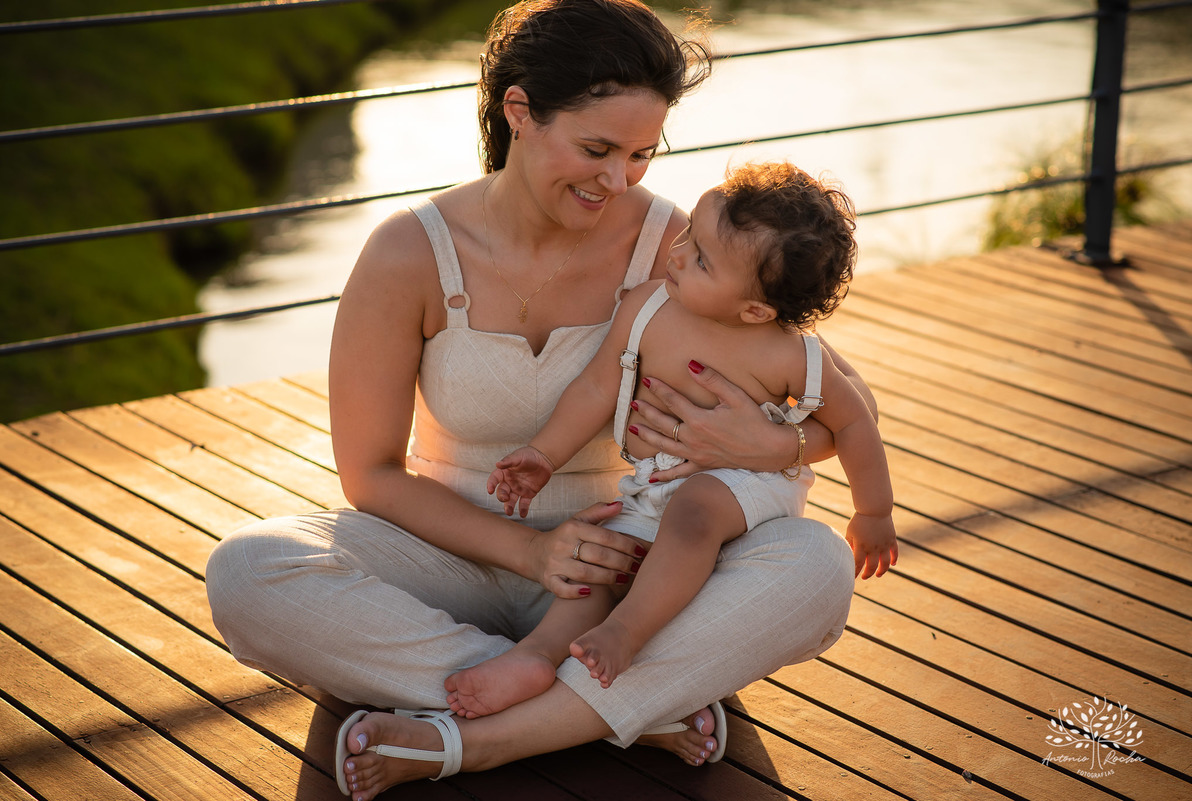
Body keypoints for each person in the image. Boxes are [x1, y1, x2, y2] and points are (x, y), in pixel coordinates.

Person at [203, 2, 870, 800]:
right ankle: (622, 706)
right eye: (595, 148)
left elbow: (836, 402)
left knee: (817, 563)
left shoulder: (678, 247)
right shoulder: (410, 252)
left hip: (633, 560)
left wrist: (779, 448)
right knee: (249, 571)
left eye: (639, 154)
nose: (616, 179)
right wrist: (528, 552)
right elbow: (371, 476)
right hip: (451, 557)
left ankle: (482, 733)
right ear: (519, 112)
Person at [444, 162, 896, 715]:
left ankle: (628, 635)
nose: (677, 253)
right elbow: (595, 388)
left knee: (696, 511)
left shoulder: (791, 354)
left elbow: (855, 422)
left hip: (745, 484)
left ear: (755, 309)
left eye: (701, 258)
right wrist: (544, 453)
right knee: (609, 560)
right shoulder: (647, 308)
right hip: (657, 481)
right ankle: (537, 656)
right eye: (688, 237)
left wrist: (873, 512)